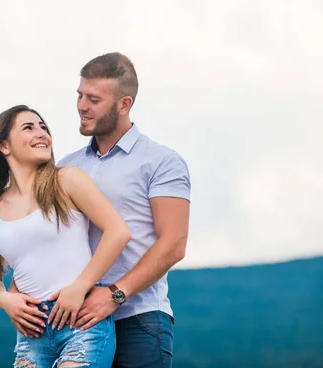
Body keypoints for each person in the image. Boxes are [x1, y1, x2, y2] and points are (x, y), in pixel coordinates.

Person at [15, 52, 191, 367]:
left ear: (124, 104)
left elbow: (174, 245)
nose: (82, 106)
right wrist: (13, 296)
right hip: (72, 322)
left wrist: (113, 295)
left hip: (137, 319)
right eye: (80, 95)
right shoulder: (66, 167)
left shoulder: (162, 162)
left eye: (93, 99)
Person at [0, 105, 131, 368]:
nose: (42, 133)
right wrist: (7, 300)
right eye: (28, 128)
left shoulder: (67, 180)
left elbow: (118, 232)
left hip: (80, 321)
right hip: (32, 333)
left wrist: (80, 286)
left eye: (43, 127)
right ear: (4, 146)